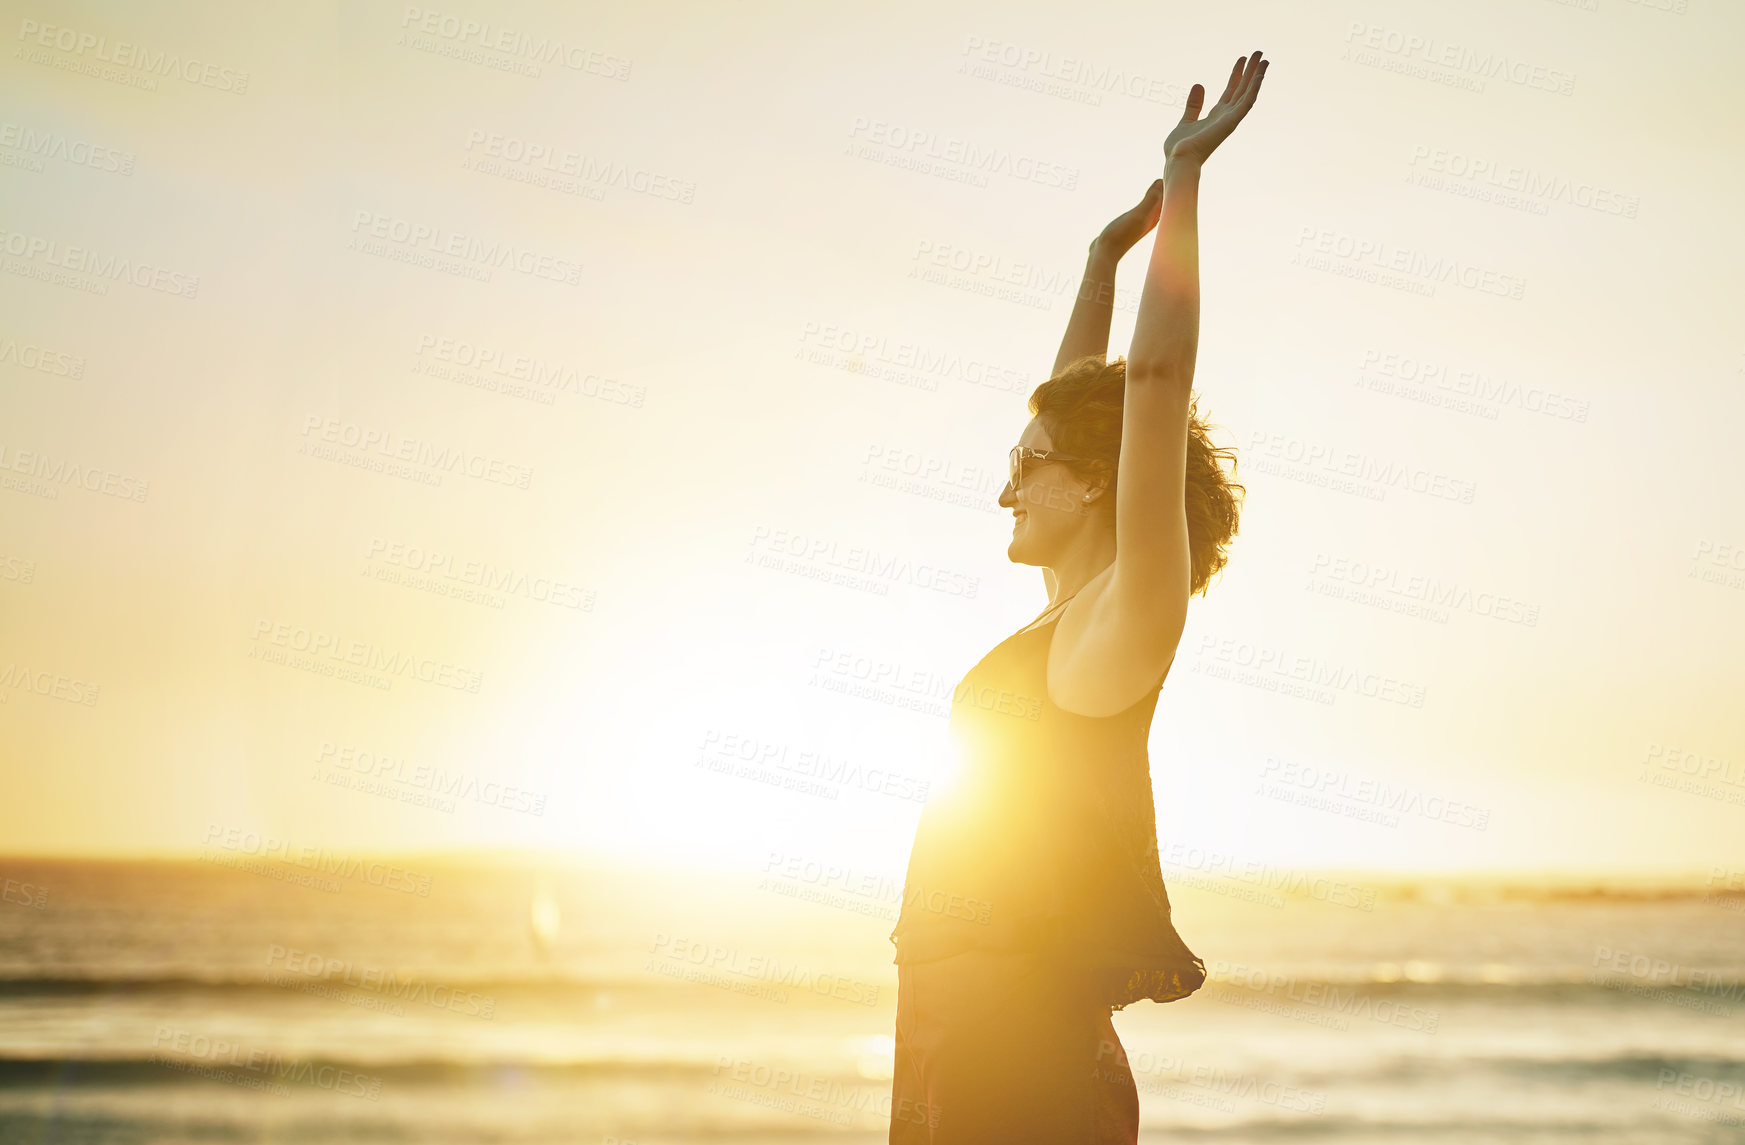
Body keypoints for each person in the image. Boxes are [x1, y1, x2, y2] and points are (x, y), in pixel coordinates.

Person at [887, 51, 1269, 1144]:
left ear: (1097, 482)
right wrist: (1098, 260)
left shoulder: (1118, 624)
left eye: (1030, 465)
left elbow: (1144, 394)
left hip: (1021, 1045)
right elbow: (1077, 406)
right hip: (950, 1026)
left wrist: (1184, 180)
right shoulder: (1061, 606)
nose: (1005, 484)